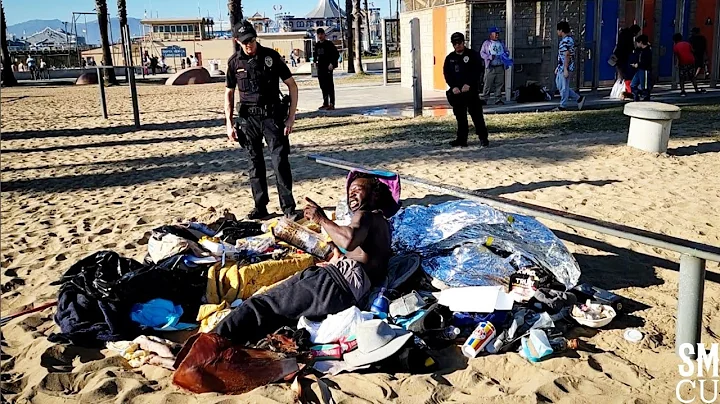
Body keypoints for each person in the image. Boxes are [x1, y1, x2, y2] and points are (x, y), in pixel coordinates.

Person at [213, 173, 394, 345]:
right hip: (349, 292)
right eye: (349, 191)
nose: (351, 194)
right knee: (277, 319)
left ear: (375, 195)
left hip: (336, 284)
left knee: (260, 305)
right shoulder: (383, 224)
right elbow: (361, 254)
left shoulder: (366, 215)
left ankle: (204, 346)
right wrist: (336, 256)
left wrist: (321, 219)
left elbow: (349, 241)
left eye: (357, 189)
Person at [224, 20, 299, 220]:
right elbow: (229, 94)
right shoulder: (234, 62)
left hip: (272, 118)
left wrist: (291, 118)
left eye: (251, 40)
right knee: (254, 164)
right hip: (248, 120)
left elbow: (292, 85)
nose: (249, 44)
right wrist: (229, 123)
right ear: (237, 41)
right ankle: (260, 207)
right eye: (245, 42)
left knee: (280, 162)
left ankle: (289, 208)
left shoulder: (271, 57)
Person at [443, 32, 489, 148]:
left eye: (459, 43)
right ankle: (461, 139)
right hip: (457, 92)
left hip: (470, 91)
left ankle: (483, 138)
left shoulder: (472, 55)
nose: (457, 45)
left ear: (463, 42)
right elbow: (447, 74)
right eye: (455, 43)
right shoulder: (450, 58)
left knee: (477, 116)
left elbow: (478, 71)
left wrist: (469, 84)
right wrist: (453, 86)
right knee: (460, 117)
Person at [553, 21, 586, 111]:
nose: (557, 32)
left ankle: (563, 105)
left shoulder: (566, 41)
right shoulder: (565, 41)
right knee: (560, 85)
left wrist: (565, 68)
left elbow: (567, 55)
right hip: (561, 67)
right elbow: (562, 56)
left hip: (565, 67)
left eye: (558, 30)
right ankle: (578, 98)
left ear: (561, 30)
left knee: (564, 87)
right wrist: (558, 66)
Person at [480, 27, 509, 105]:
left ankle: (498, 99)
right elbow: (482, 53)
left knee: (499, 83)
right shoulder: (486, 43)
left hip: (500, 66)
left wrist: (505, 55)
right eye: (495, 33)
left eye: (498, 33)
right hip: (490, 67)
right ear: (491, 34)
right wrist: (489, 57)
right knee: (487, 83)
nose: (497, 35)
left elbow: (506, 51)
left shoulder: (501, 43)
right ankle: (485, 98)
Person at [315, 28, 339, 110]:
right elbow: (315, 55)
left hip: (328, 68)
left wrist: (332, 64)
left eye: (321, 34)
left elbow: (336, 54)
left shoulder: (329, 44)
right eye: (318, 34)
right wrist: (315, 62)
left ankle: (332, 103)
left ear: (324, 34)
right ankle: (325, 103)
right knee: (323, 86)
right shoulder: (317, 45)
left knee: (329, 86)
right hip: (320, 68)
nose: (320, 36)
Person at [630, 35, 652, 101]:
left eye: (638, 42)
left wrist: (638, 64)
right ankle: (637, 96)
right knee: (633, 85)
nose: (637, 44)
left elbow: (646, 62)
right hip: (639, 69)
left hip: (644, 70)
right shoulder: (639, 50)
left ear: (641, 42)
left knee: (644, 87)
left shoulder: (647, 51)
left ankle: (645, 97)